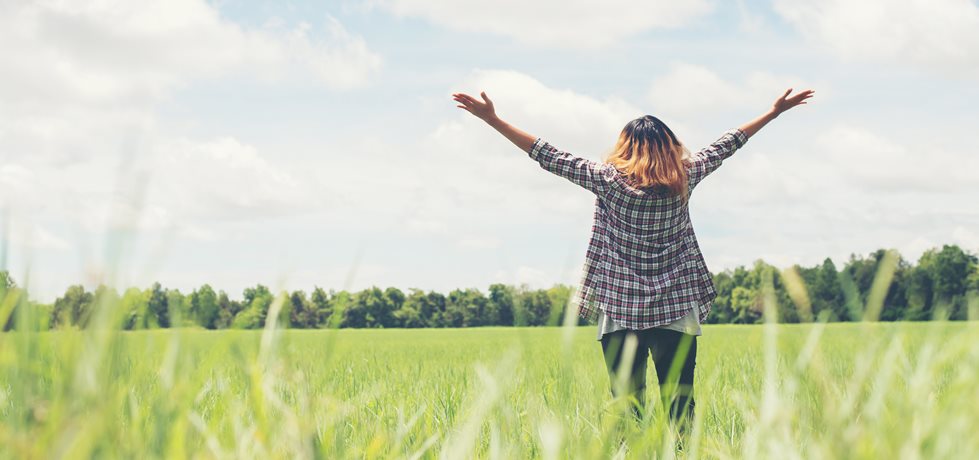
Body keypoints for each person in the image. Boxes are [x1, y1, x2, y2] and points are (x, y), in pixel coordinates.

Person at [452, 87, 814, 432]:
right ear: (671, 147)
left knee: (627, 409)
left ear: (625, 147)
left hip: (619, 309)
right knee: (680, 406)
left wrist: (493, 120)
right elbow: (728, 143)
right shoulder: (685, 177)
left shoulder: (606, 180)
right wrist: (774, 111)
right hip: (676, 307)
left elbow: (548, 154)